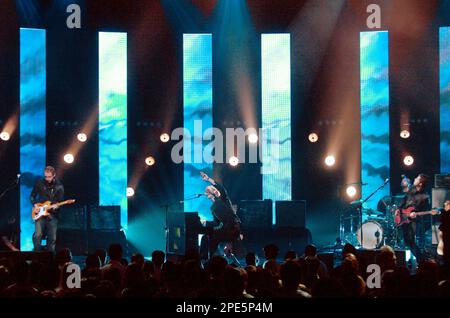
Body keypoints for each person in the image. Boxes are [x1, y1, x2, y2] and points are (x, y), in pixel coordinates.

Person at [199, 172, 241, 259]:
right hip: (225, 229)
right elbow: (216, 223)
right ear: (208, 196)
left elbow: (222, 189)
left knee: (210, 236)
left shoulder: (223, 200)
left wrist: (208, 179)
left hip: (232, 228)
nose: (215, 191)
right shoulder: (213, 208)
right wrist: (205, 223)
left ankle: (210, 257)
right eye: (213, 191)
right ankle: (208, 258)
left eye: (215, 189)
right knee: (207, 237)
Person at [397, 173, 431, 263]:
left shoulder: (424, 195)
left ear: (420, 183)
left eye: (417, 178)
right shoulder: (411, 190)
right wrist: (399, 211)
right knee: (408, 241)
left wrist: (415, 213)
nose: (415, 179)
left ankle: (422, 261)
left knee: (410, 241)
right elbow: (404, 202)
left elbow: (426, 210)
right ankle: (422, 260)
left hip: (414, 221)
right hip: (405, 219)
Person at [30, 166, 64, 253]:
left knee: (52, 238)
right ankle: (36, 258)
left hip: (52, 214)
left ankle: (50, 260)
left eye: (49, 177)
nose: (47, 178)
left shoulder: (59, 186)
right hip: (40, 213)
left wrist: (57, 206)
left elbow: (60, 202)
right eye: (45, 176)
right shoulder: (39, 183)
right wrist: (35, 206)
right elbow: (32, 196)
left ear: (54, 175)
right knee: (37, 235)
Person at [439, 200, 450, 275]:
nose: (444, 206)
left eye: (447, 204)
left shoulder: (446, 215)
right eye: (444, 204)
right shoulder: (445, 214)